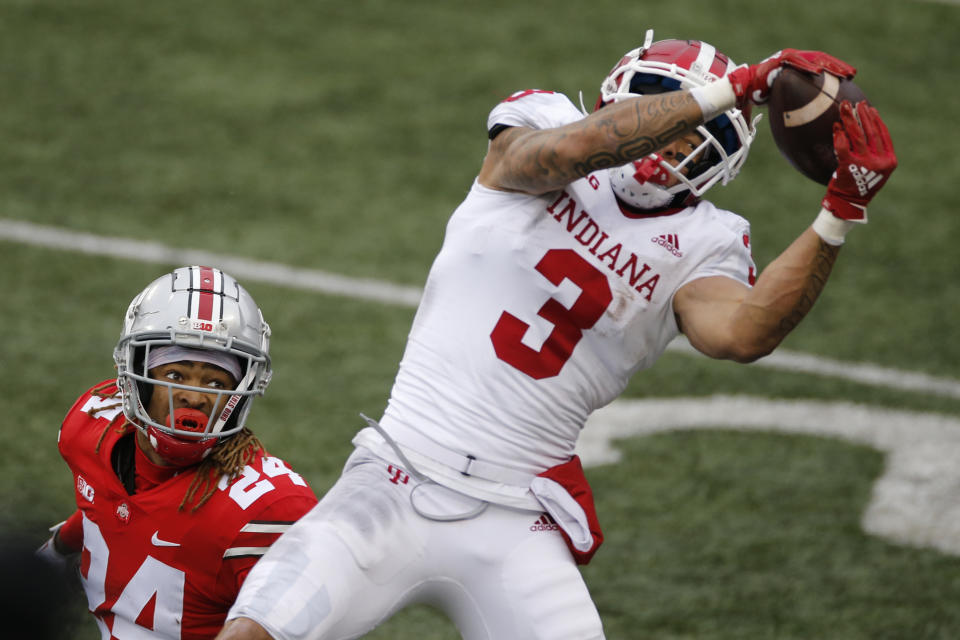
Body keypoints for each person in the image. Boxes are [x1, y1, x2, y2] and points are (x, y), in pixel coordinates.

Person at [216, 30, 897, 640]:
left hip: (515, 521)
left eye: (696, 138)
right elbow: (575, 149)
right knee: (256, 632)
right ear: (619, 97)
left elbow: (744, 334)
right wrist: (734, 89)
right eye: (667, 118)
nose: (670, 146)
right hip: (393, 477)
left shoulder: (708, 243)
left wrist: (840, 210)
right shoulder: (544, 122)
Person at [38, 266, 319, 639]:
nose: (195, 395)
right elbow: (112, 506)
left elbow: (304, 622)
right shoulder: (91, 431)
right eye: (175, 375)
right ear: (135, 375)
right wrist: (56, 551)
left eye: (216, 381)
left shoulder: (267, 506)